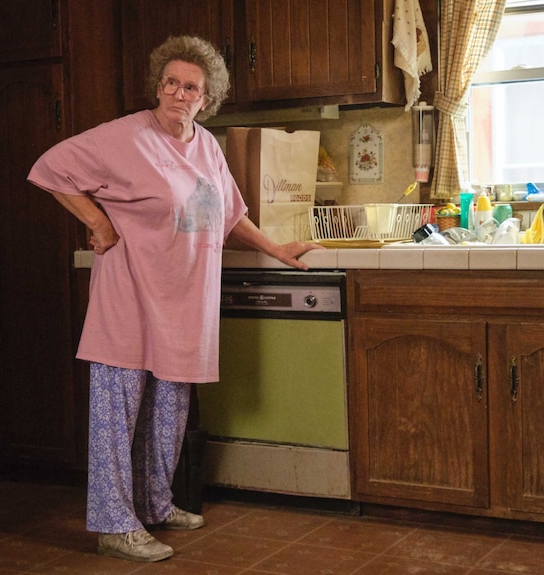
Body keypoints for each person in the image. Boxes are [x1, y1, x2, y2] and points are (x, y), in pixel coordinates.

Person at [27, 35, 322, 563]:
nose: (178, 93)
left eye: (191, 87)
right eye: (171, 82)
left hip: (185, 300)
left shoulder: (206, 145)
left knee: (168, 406)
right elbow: (50, 167)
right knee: (118, 412)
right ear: (158, 85)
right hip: (131, 294)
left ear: (206, 99)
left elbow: (229, 214)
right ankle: (115, 526)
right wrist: (96, 221)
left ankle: (154, 504)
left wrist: (276, 248)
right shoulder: (125, 137)